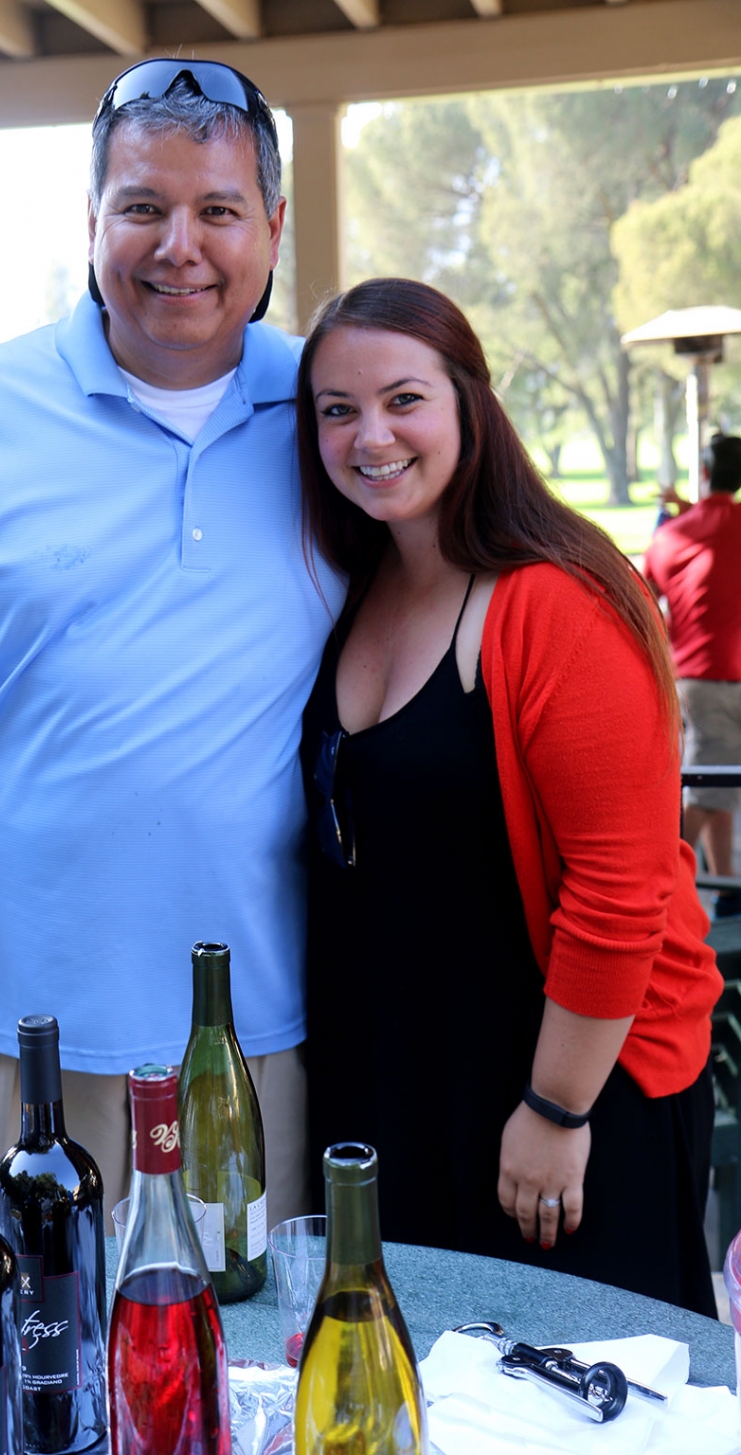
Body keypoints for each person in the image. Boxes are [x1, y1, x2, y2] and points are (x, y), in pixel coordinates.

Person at [0, 59, 343, 1220]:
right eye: (142, 207)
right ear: (92, 221)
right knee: (37, 1368)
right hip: (23, 1023)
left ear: (273, 226)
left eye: (218, 210)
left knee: (244, 1365)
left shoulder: (332, 416)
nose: (179, 247)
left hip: (257, 1030)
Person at [297, 278, 721, 1315]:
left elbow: (621, 888)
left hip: (559, 1095)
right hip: (404, 1084)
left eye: (404, 400)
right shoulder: (361, 584)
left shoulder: (556, 600)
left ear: (468, 407)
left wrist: (553, 1108)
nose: (369, 436)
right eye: (336, 411)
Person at [644, 435, 741, 917]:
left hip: (701, 680)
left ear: (704, 472)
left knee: (710, 788)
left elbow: (647, 592)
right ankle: (716, 889)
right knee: (717, 785)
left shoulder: (676, 534)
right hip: (726, 679)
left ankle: (665, 889)